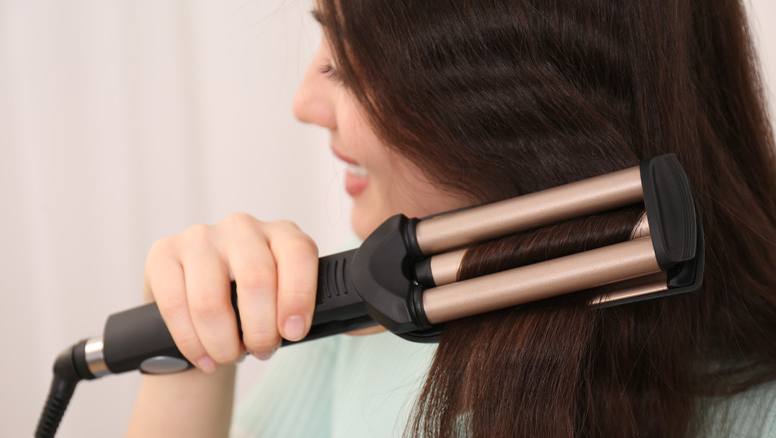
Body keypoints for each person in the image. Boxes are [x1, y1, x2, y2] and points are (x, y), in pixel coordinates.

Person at [127, 0, 776, 437]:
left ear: (514, 100)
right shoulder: (345, 345)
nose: (304, 103)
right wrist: (185, 345)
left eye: (351, 66)